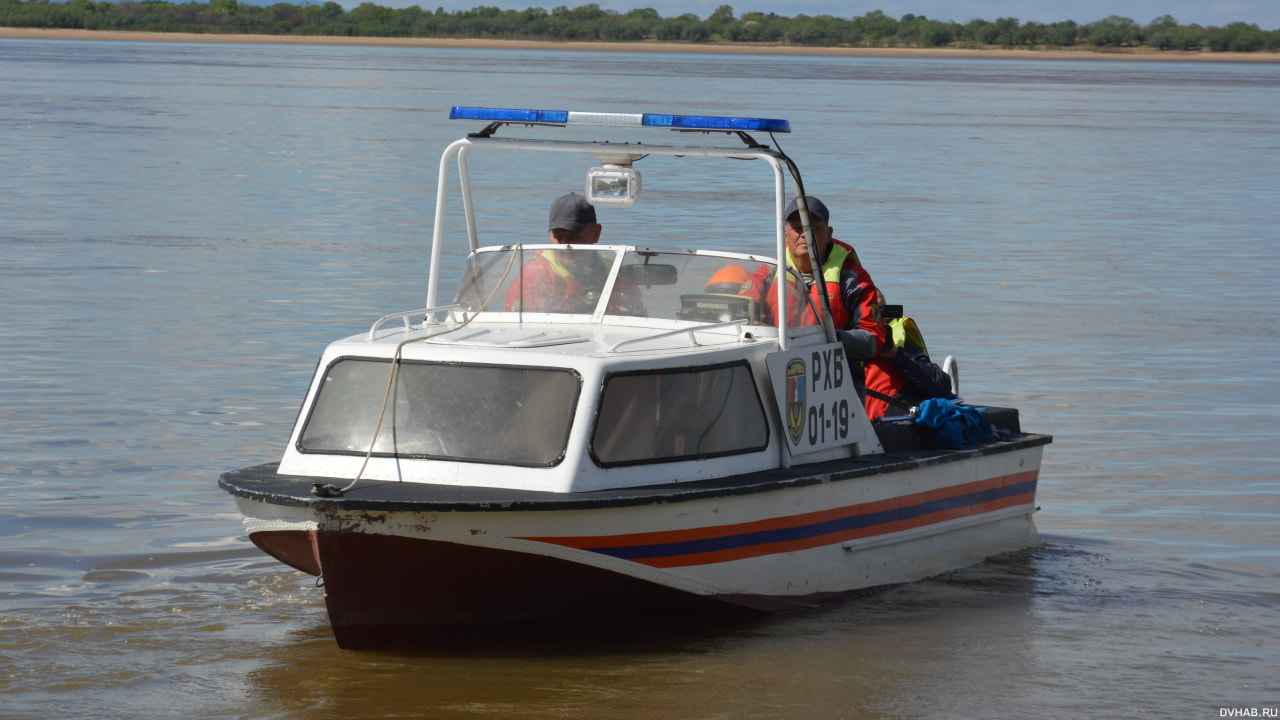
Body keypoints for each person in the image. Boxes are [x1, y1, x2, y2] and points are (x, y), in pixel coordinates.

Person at [739, 195, 892, 363]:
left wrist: (821, 338)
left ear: (829, 233)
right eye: (798, 228)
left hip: (835, 374)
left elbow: (872, 339)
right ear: (785, 234)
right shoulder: (766, 274)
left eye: (813, 228)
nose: (805, 234)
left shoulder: (853, 278)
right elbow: (738, 315)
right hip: (777, 365)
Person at [507, 192, 642, 314]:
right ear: (550, 235)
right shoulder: (533, 275)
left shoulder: (616, 274)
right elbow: (521, 329)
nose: (566, 245)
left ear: (596, 233)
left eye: (575, 237)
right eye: (559, 237)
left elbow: (636, 319)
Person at [863, 314, 955, 420]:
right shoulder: (843, 343)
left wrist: (897, 355)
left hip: (894, 425)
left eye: (882, 311)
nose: (877, 317)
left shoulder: (899, 343)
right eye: (871, 312)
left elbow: (941, 387)